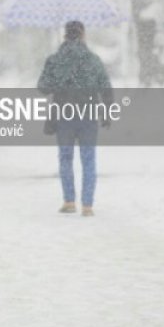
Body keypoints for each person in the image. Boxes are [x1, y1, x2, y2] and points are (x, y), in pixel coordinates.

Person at [37, 21, 113, 217]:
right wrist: (107, 112)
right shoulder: (93, 60)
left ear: (65, 35)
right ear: (83, 35)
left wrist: (58, 81)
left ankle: (69, 201)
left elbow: (43, 87)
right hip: (88, 115)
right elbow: (106, 88)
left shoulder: (54, 60)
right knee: (88, 159)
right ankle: (87, 205)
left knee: (65, 158)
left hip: (64, 115)